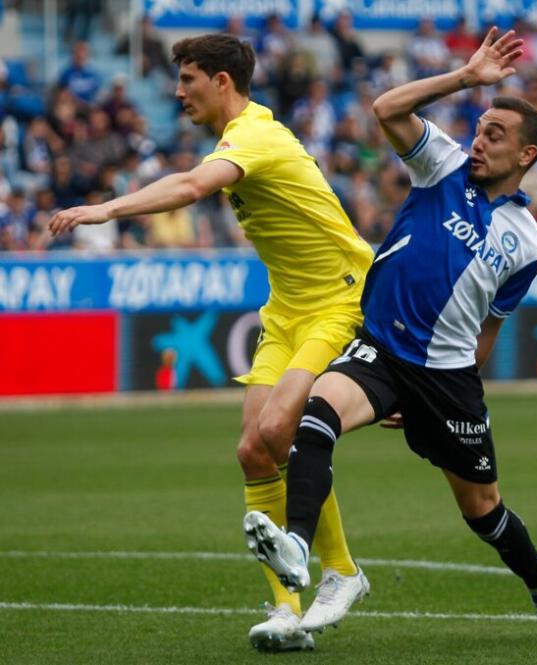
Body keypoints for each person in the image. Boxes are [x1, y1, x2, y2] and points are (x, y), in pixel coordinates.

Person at [243, 27, 537, 642]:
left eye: (496, 136)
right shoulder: (442, 163)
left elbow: (490, 327)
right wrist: (465, 78)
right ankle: (296, 547)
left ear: (527, 154)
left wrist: (458, 392)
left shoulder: (528, 242)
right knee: (313, 420)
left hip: (447, 380)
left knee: (483, 511)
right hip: (381, 350)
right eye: (479, 129)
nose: (480, 142)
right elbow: (386, 109)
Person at [48, 33, 374, 653]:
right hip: (286, 313)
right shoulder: (237, 139)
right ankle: (285, 610)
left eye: (189, 79)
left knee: (282, 430)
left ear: (222, 82)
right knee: (254, 450)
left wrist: (104, 210)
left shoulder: (256, 135)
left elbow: (191, 188)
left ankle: (342, 571)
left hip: (339, 299)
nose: (178, 92)